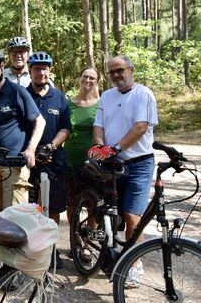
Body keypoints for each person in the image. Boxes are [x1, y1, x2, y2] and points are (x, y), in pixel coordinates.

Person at [88, 55, 158, 287]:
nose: (117, 75)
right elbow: (98, 124)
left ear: (131, 69)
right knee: (105, 210)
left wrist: (115, 149)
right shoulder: (107, 96)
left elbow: (141, 127)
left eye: (120, 70)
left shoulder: (143, 94)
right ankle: (104, 252)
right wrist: (100, 146)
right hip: (111, 165)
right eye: (112, 72)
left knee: (132, 216)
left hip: (138, 163)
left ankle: (134, 266)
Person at [0, 47, 45, 211]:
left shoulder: (17, 91)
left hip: (14, 164)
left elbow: (40, 122)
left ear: (2, 65)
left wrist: (31, 149)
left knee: (14, 217)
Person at [25, 52, 71, 269]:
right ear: (30, 71)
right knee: (32, 207)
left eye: (44, 68)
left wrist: (51, 146)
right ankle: (34, 248)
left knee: (53, 207)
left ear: (49, 71)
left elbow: (65, 128)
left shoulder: (59, 97)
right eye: (36, 69)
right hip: (29, 161)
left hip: (54, 159)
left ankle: (52, 248)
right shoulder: (22, 95)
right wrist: (31, 151)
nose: (41, 72)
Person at [64, 67, 100, 222]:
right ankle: (76, 237)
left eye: (92, 78)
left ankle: (90, 236)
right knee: (71, 203)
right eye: (85, 76)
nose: (88, 80)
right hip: (70, 160)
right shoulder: (68, 104)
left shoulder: (101, 104)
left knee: (93, 202)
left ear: (96, 82)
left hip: (93, 162)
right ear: (79, 79)